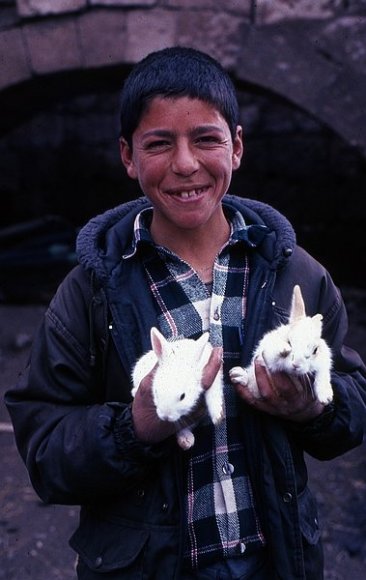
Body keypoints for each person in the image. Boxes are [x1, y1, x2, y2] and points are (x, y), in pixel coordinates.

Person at [5, 46, 366, 580]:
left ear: (236, 146)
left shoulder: (297, 274)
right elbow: (45, 450)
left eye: (206, 139)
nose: (185, 164)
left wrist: (311, 409)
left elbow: (352, 403)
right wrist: (135, 428)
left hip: (279, 562)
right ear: (128, 156)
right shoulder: (90, 292)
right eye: (159, 143)